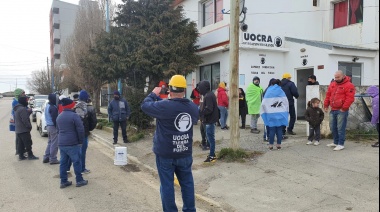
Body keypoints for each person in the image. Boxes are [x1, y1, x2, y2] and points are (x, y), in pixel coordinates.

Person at [141, 75, 199, 212]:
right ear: (184, 90)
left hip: (165, 154)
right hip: (184, 152)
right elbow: (194, 118)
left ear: (169, 90)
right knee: (187, 184)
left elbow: (145, 105)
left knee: (167, 185)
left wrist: (153, 94)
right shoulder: (192, 107)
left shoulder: (164, 106)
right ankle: (190, 209)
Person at [57, 98, 88, 188]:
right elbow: (80, 130)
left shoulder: (59, 116)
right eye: (73, 104)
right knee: (77, 162)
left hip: (62, 143)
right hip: (72, 143)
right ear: (70, 106)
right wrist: (80, 141)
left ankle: (63, 181)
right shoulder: (74, 116)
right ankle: (79, 180)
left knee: (63, 163)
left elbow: (58, 130)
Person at [324, 70, 355, 151]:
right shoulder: (332, 84)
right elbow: (328, 95)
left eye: (338, 77)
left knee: (340, 127)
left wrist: (344, 108)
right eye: (335, 77)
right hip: (333, 109)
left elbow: (350, 98)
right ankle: (335, 142)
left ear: (343, 76)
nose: (336, 79)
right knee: (332, 127)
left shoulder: (349, 85)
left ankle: (341, 144)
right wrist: (326, 105)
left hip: (342, 110)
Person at [260, 79, 289, 150]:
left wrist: (265, 110)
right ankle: (279, 145)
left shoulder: (269, 91)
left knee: (272, 130)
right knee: (279, 130)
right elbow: (286, 102)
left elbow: (264, 103)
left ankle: (270, 145)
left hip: (270, 114)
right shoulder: (281, 91)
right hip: (280, 113)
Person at [75, 90, 97, 174]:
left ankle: (77, 168)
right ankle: (82, 168)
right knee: (82, 151)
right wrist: (89, 129)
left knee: (77, 151)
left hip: (76, 133)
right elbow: (93, 121)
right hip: (84, 133)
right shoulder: (89, 108)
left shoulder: (75, 107)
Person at [199, 80, 219, 163]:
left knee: (210, 139)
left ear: (204, 87)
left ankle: (212, 156)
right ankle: (212, 154)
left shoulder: (208, 96)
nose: (199, 89)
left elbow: (209, 109)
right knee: (210, 138)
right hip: (209, 120)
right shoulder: (209, 94)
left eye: (200, 87)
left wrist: (201, 113)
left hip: (209, 121)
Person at [14, 96, 39, 160]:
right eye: (26, 100)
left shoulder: (17, 108)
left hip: (18, 129)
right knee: (28, 143)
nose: (27, 102)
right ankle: (30, 155)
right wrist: (29, 126)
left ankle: (21, 156)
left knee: (21, 144)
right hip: (23, 130)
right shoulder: (22, 109)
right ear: (23, 101)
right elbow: (25, 120)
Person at [43, 94, 60, 164]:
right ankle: (53, 159)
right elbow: (55, 119)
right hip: (53, 126)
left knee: (50, 142)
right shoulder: (53, 108)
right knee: (54, 143)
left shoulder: (47, 106)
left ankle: (46, 157)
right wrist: (58, 128)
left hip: (48, 126)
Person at [11, 88, 27, 155]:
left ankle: (21, 150)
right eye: (23, 93)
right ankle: (19, 150)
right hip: (18, 120)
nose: (24, 94)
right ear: (19, 94)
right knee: (19, 136)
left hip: (20, 119)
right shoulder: (16, 101)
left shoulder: (19, 100)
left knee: (20, 136)